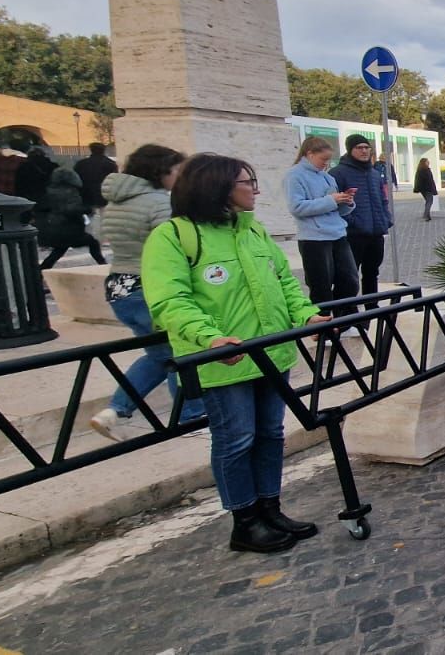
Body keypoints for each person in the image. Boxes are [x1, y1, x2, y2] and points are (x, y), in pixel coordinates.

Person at [141, 153, 330, 553]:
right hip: (225, 361)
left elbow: (285, 284)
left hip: (272, 354)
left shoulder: (253, 231)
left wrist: (308, 317)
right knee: (236, 438)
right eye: (248, 182)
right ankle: (244, 520)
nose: (256, 189)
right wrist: (209, 338)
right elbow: (169, 301)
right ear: (219, 187)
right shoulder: (173, 237)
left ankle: (270, 507)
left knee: (271, 434)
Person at [89, 145, 202, 440]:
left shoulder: (115, 201)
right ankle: (191, 414)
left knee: (158, 355)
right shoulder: (158, 203)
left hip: (119, 286)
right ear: (161, 170)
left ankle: (114, 410)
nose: (180, 177)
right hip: (148, 286)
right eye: (177, 171)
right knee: (183, 351)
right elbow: (173, 248)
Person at [285, 137, 359, 322]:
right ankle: (323, 326)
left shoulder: (327, 176)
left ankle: (344, 322)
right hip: (314, 238)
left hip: (337, 234)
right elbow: (297, 207)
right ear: (309, 154)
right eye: (323, 159)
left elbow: (335, 207)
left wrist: (346, 201)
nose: (326, 164)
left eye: (328, 160)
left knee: (349, 280)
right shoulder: (294, 175)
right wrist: (331, 200)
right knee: (321, 285)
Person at [330, 135, 393, 303]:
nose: (364, 151)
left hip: (375, 233)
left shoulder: (374, 173)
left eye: (367, 147)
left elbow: (382, 199)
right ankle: (346, 314)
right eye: (359, 147)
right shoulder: (338, 173)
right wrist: (353, 221)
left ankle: (371, 310)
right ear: (350, 150)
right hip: (352, 235)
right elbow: (335, 202)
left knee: (372, 273)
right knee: (349, 277)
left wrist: (386, 219)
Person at [36, 164, 106, 268]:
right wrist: (87, 210)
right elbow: (71, 209)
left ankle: (42, 269)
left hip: (53, 229)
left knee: (59, 249)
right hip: (68, 229)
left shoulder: (49, 190)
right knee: (93, 242)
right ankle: (103, 264)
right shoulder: (71, 192)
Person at [74, 142, 117, 237]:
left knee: (88, 216)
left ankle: (88, 235)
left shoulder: (81, 164)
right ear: (104, 150)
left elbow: (76, 180)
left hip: (86, 194)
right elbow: (115, 180)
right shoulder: (110, 164)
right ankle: (104, 237)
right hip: (104, 194)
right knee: (104, 217)